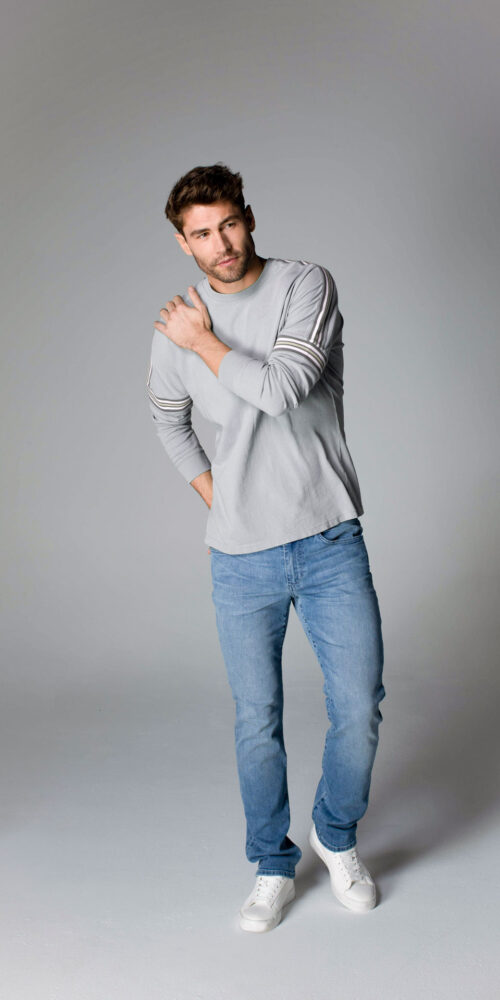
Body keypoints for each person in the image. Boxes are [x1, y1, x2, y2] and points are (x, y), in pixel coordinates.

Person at [146, 162, 386, 933]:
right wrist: (218, 497)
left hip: (328, 539)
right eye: (201, 234)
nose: (220, 244)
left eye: (228, 224)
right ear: (183, 244)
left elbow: (281, 389)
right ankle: (272, 864)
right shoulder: (175, 331)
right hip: (240, 555)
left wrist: (206, 341)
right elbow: (169, 419)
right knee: (257, 720)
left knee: (359, 707)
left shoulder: (303, 285)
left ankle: (336, 834)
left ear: (248, 217)